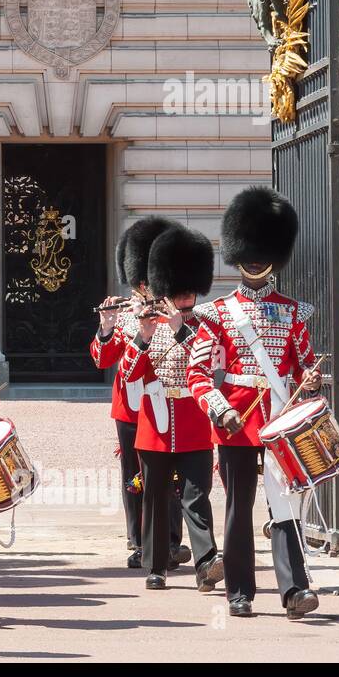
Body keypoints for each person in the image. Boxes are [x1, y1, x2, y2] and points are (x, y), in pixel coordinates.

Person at [187, 186, 321, 619]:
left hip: (279, 416)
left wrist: (312, 381)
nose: (256, 260)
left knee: (284, 503)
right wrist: (219, 408)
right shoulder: (219, 313)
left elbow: (302, 366)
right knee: (239, 506)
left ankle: (294, 589)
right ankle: (240, 591)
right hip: (236, 420)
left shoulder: (294, 312)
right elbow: (198, 374)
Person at [120, 225, 224, 593]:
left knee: (197, 495)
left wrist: (182, 330)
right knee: (155, 495)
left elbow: (213, 362)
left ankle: (207, 560)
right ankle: (156, 565)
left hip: (194, 421)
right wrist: (143, 336)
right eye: (178, 292)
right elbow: (128, 372)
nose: (184, 297)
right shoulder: (152, 325)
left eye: (189, 291)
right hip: (156, 422)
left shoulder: (207, 325)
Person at [92, 216, 188, 570]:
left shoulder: (172, 311)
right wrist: (106, 326)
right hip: (131, 408)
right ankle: (138, 540)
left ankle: (173, 540)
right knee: (135, 478)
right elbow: (104, 358)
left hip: (165, 402)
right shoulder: (126, 313)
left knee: (170, 475)